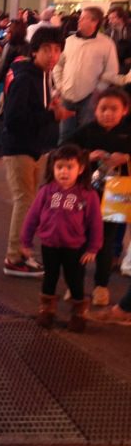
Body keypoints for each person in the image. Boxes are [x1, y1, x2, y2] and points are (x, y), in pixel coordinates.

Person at [1, 28, 75, 277]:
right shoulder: (26, 78)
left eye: (57, 50)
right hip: (19, 147)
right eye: (47, 50)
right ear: (35, 51)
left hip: (34, 147)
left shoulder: (43, 75)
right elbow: (13, 118)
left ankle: (22, 253)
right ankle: (15, 257)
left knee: (29, 202)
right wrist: (51, 114)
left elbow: (33, 111)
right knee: (25, 201)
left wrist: (49, 108)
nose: (53, 55)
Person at [21, 144, 102, 332]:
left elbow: (95, 223)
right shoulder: (46, 191)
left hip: (75, 247)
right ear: (52, 168)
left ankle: (78, 313)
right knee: (50, 277)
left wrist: (93, 247)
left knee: (75, 279)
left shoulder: (88, 195)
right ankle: (47, 310)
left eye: (69, 167)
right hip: (50, 245)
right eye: (59, 167)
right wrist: (25, 241)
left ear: (80, 169)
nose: (64, 172)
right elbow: (32, 217)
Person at [68, 87, 131, 306]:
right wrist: (86, 155)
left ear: (124, 111)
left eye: (114, 109)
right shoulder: (87, 131)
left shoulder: (127, 132)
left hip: (116, 196)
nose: (108, 113)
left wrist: (125, 158)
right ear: (96, 110)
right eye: (103, 108)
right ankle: (74, 285)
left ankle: (101, 287)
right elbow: (63, 150)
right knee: (80, 239)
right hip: (86, 194)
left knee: (106, 241)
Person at [52, 6, 119, 139]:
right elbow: (58, 65)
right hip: (67, 93)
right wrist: (59, 84)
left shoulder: (106, 43)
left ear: (94, 22)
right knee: (65, 133)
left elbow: (112, 71)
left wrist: (98, 90)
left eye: (83, 18)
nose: (78, 21)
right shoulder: (69, 41)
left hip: (90, 96)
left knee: (86, 133)